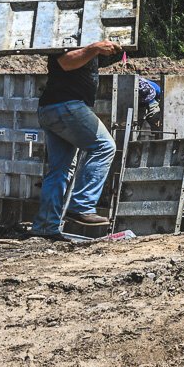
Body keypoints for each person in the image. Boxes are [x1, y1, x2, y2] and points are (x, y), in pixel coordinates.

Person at [30, 38, 123, 236]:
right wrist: (95, 47)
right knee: (104, 146)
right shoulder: (68, 33)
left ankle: (45, 227)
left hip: (53, 108)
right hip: (66, 106)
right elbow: (66, 62)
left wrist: (106, 49)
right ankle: (81, 206)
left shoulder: (85, 38)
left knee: (59, 170)